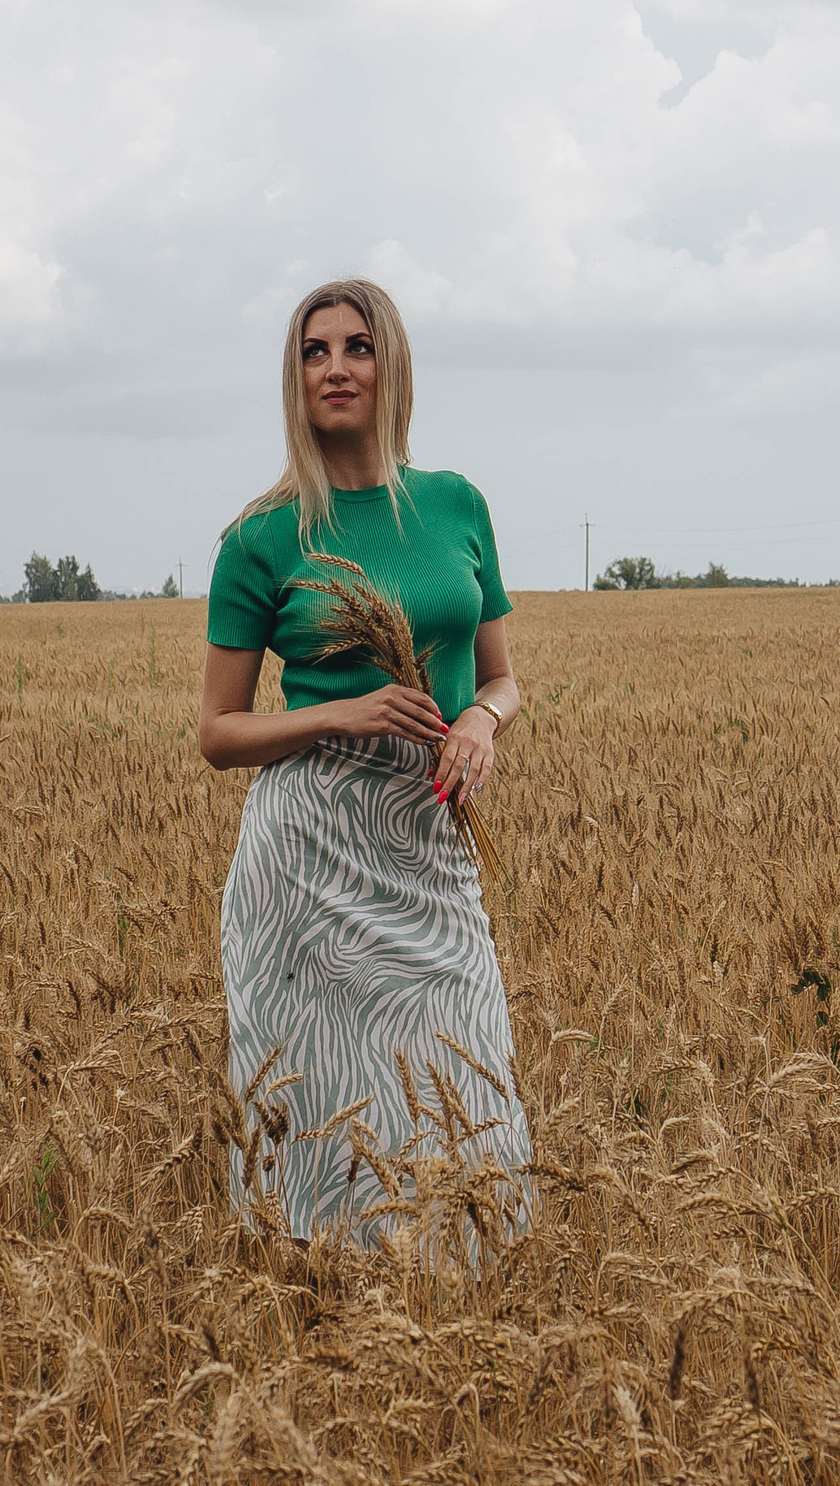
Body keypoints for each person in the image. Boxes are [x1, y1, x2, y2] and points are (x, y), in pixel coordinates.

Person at [199, 277, 531, 1246]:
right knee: (317, 1106)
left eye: (356, 346)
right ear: (294, 379)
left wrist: (480, 723)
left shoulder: (457, 505)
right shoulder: (262, 537)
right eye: (313, 351)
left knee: (470, 1090)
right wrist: (339, 710)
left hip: (428, 839)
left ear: (391, 366)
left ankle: (457, 1322)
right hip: (309, 857)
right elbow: (218, 733)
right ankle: (324, 1316)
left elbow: (506, 681)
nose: (335, 368)